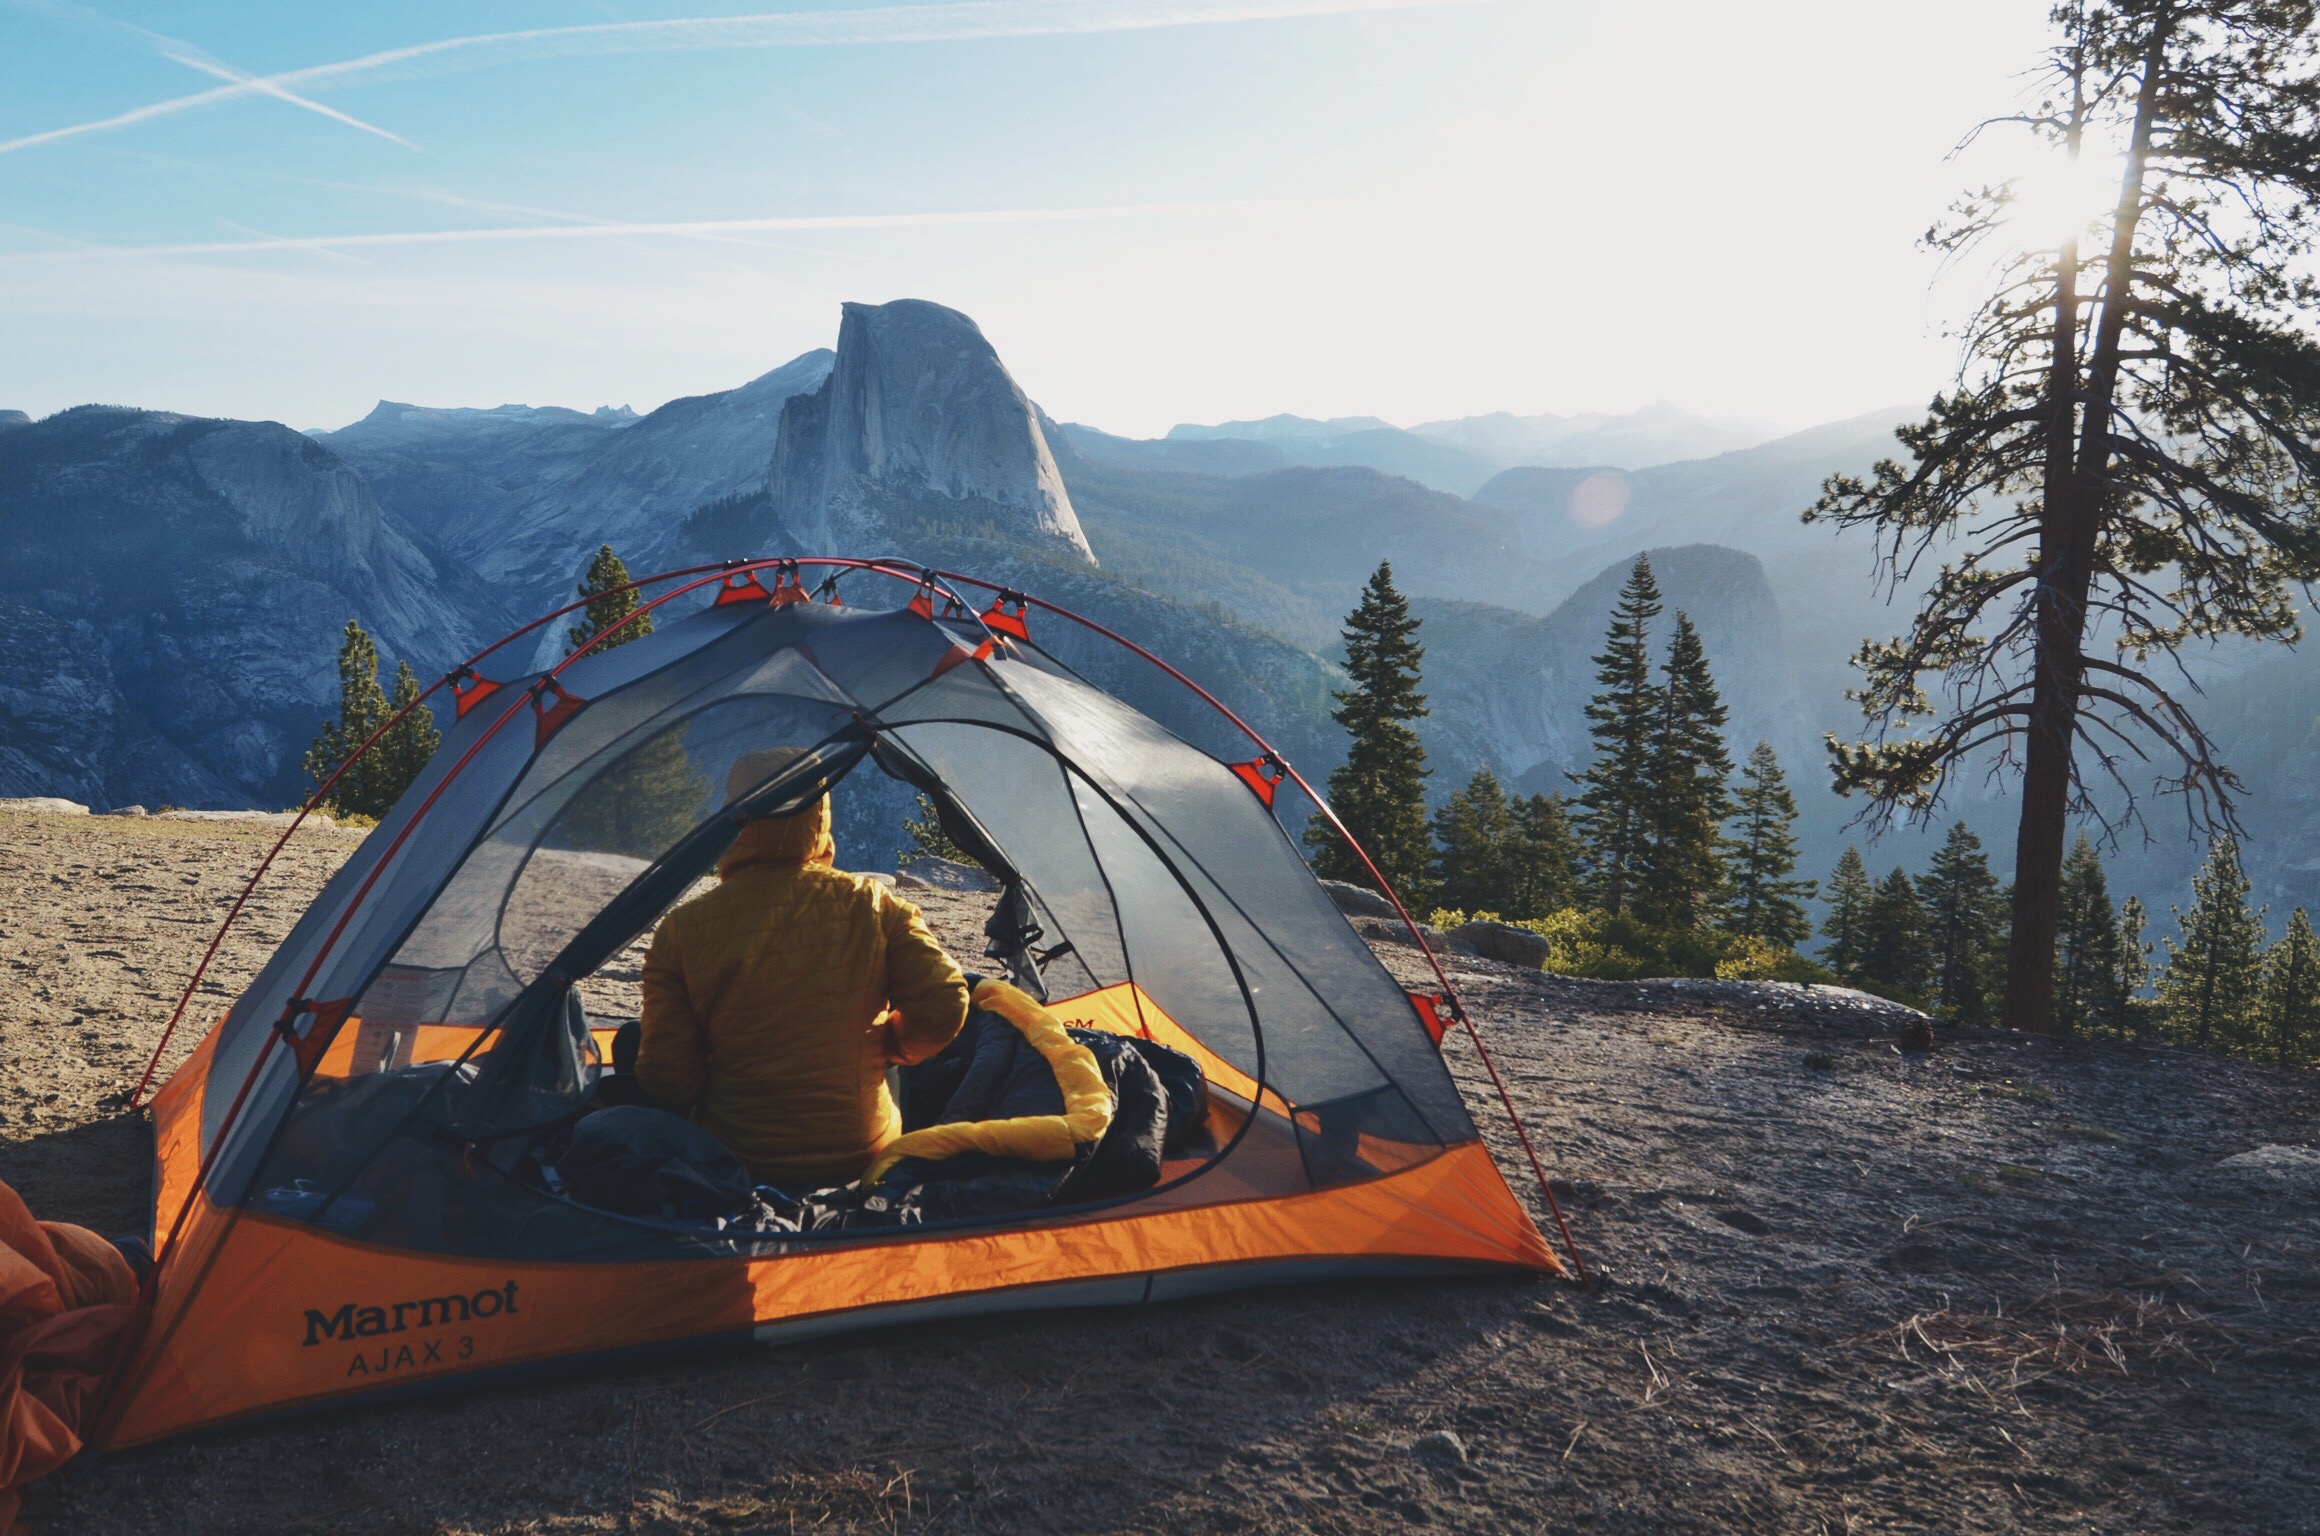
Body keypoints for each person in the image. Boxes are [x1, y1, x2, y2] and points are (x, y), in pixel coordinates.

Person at [634, 750, 970, 1189]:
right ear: (819, 817)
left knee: (634, 1044)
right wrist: (886, 1046)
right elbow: (945, 1004)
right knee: (883, 1052)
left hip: (740, 1161)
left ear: (735, 817)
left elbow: (668, 1081)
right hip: (863, 1155)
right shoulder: (875, 904)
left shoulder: (682, 929)